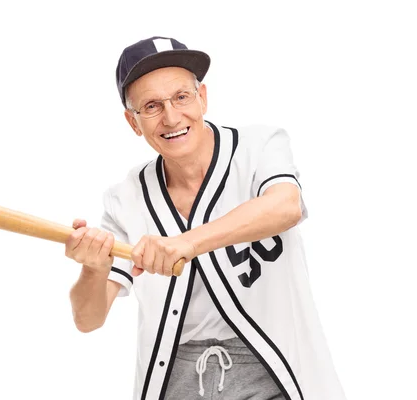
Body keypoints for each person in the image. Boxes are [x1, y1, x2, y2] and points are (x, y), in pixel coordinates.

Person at [66, 36, 346, 400]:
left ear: (203, 98)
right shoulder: (125, 199)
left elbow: (286, 206)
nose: (171, 117)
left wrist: (186, 242)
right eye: (151, 106)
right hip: (177, 375)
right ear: (133, 122)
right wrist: (92, 268)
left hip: (272, 369)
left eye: (181, 97)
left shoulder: (259, 147)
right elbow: (88, 320)